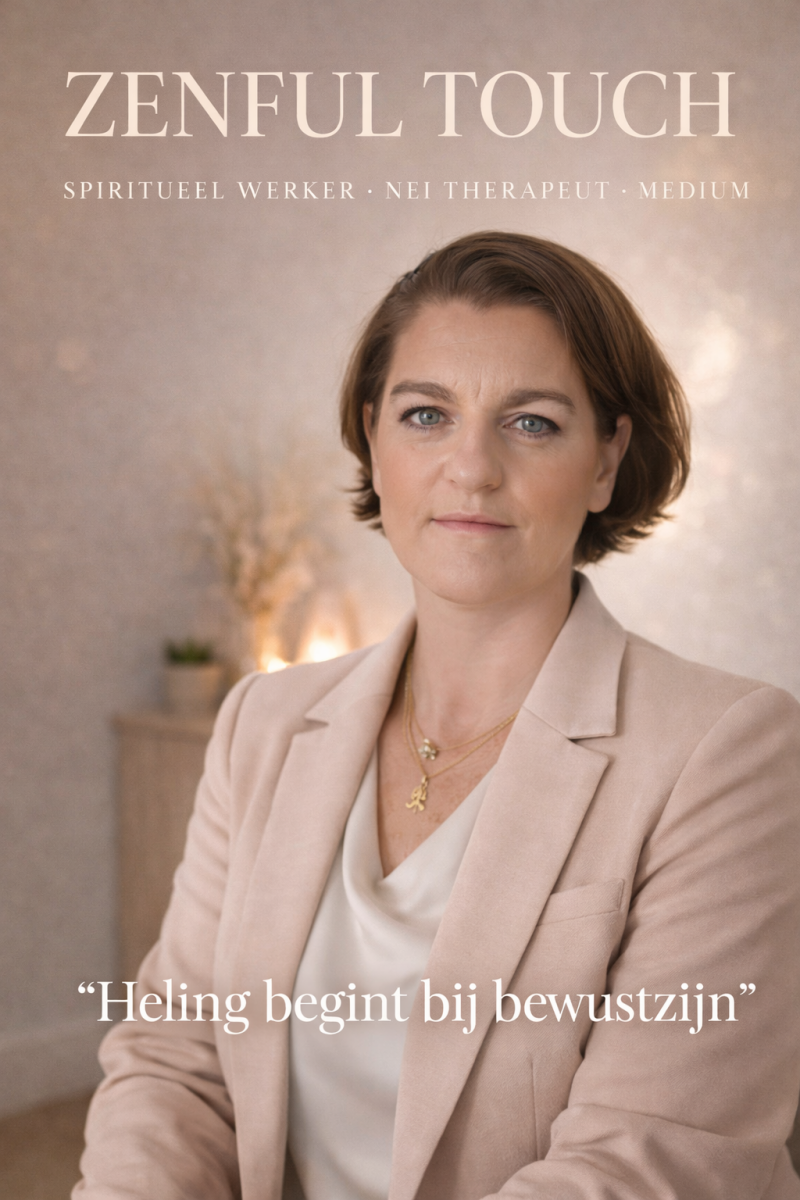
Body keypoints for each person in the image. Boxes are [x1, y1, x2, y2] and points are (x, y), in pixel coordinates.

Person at [75, 231, 800, 1200]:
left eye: (531, 423)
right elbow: (177, 1061)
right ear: (373, 441)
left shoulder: (728, 747)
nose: (472, 467)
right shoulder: (263, 723)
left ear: (605, 461)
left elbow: (647, 1160)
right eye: (426, 415)